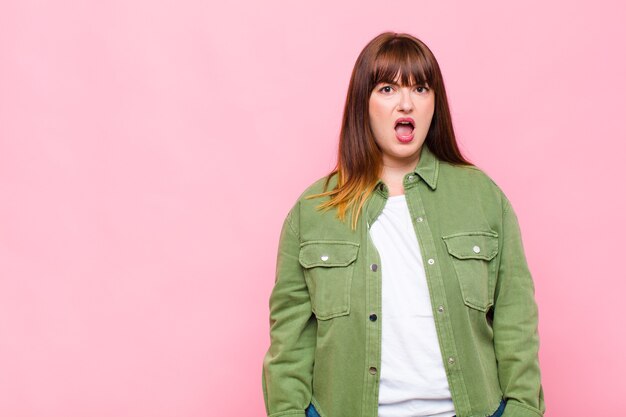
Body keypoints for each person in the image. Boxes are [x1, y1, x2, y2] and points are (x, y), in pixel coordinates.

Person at [262, 31, 545, 417]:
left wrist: (523, 410)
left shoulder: (482, 197)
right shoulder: (314, 211)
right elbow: (289, 346)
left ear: (435, 104)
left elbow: (517, 324)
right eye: (387, 88)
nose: (406, 103)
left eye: (421, 88)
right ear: (363, 102)